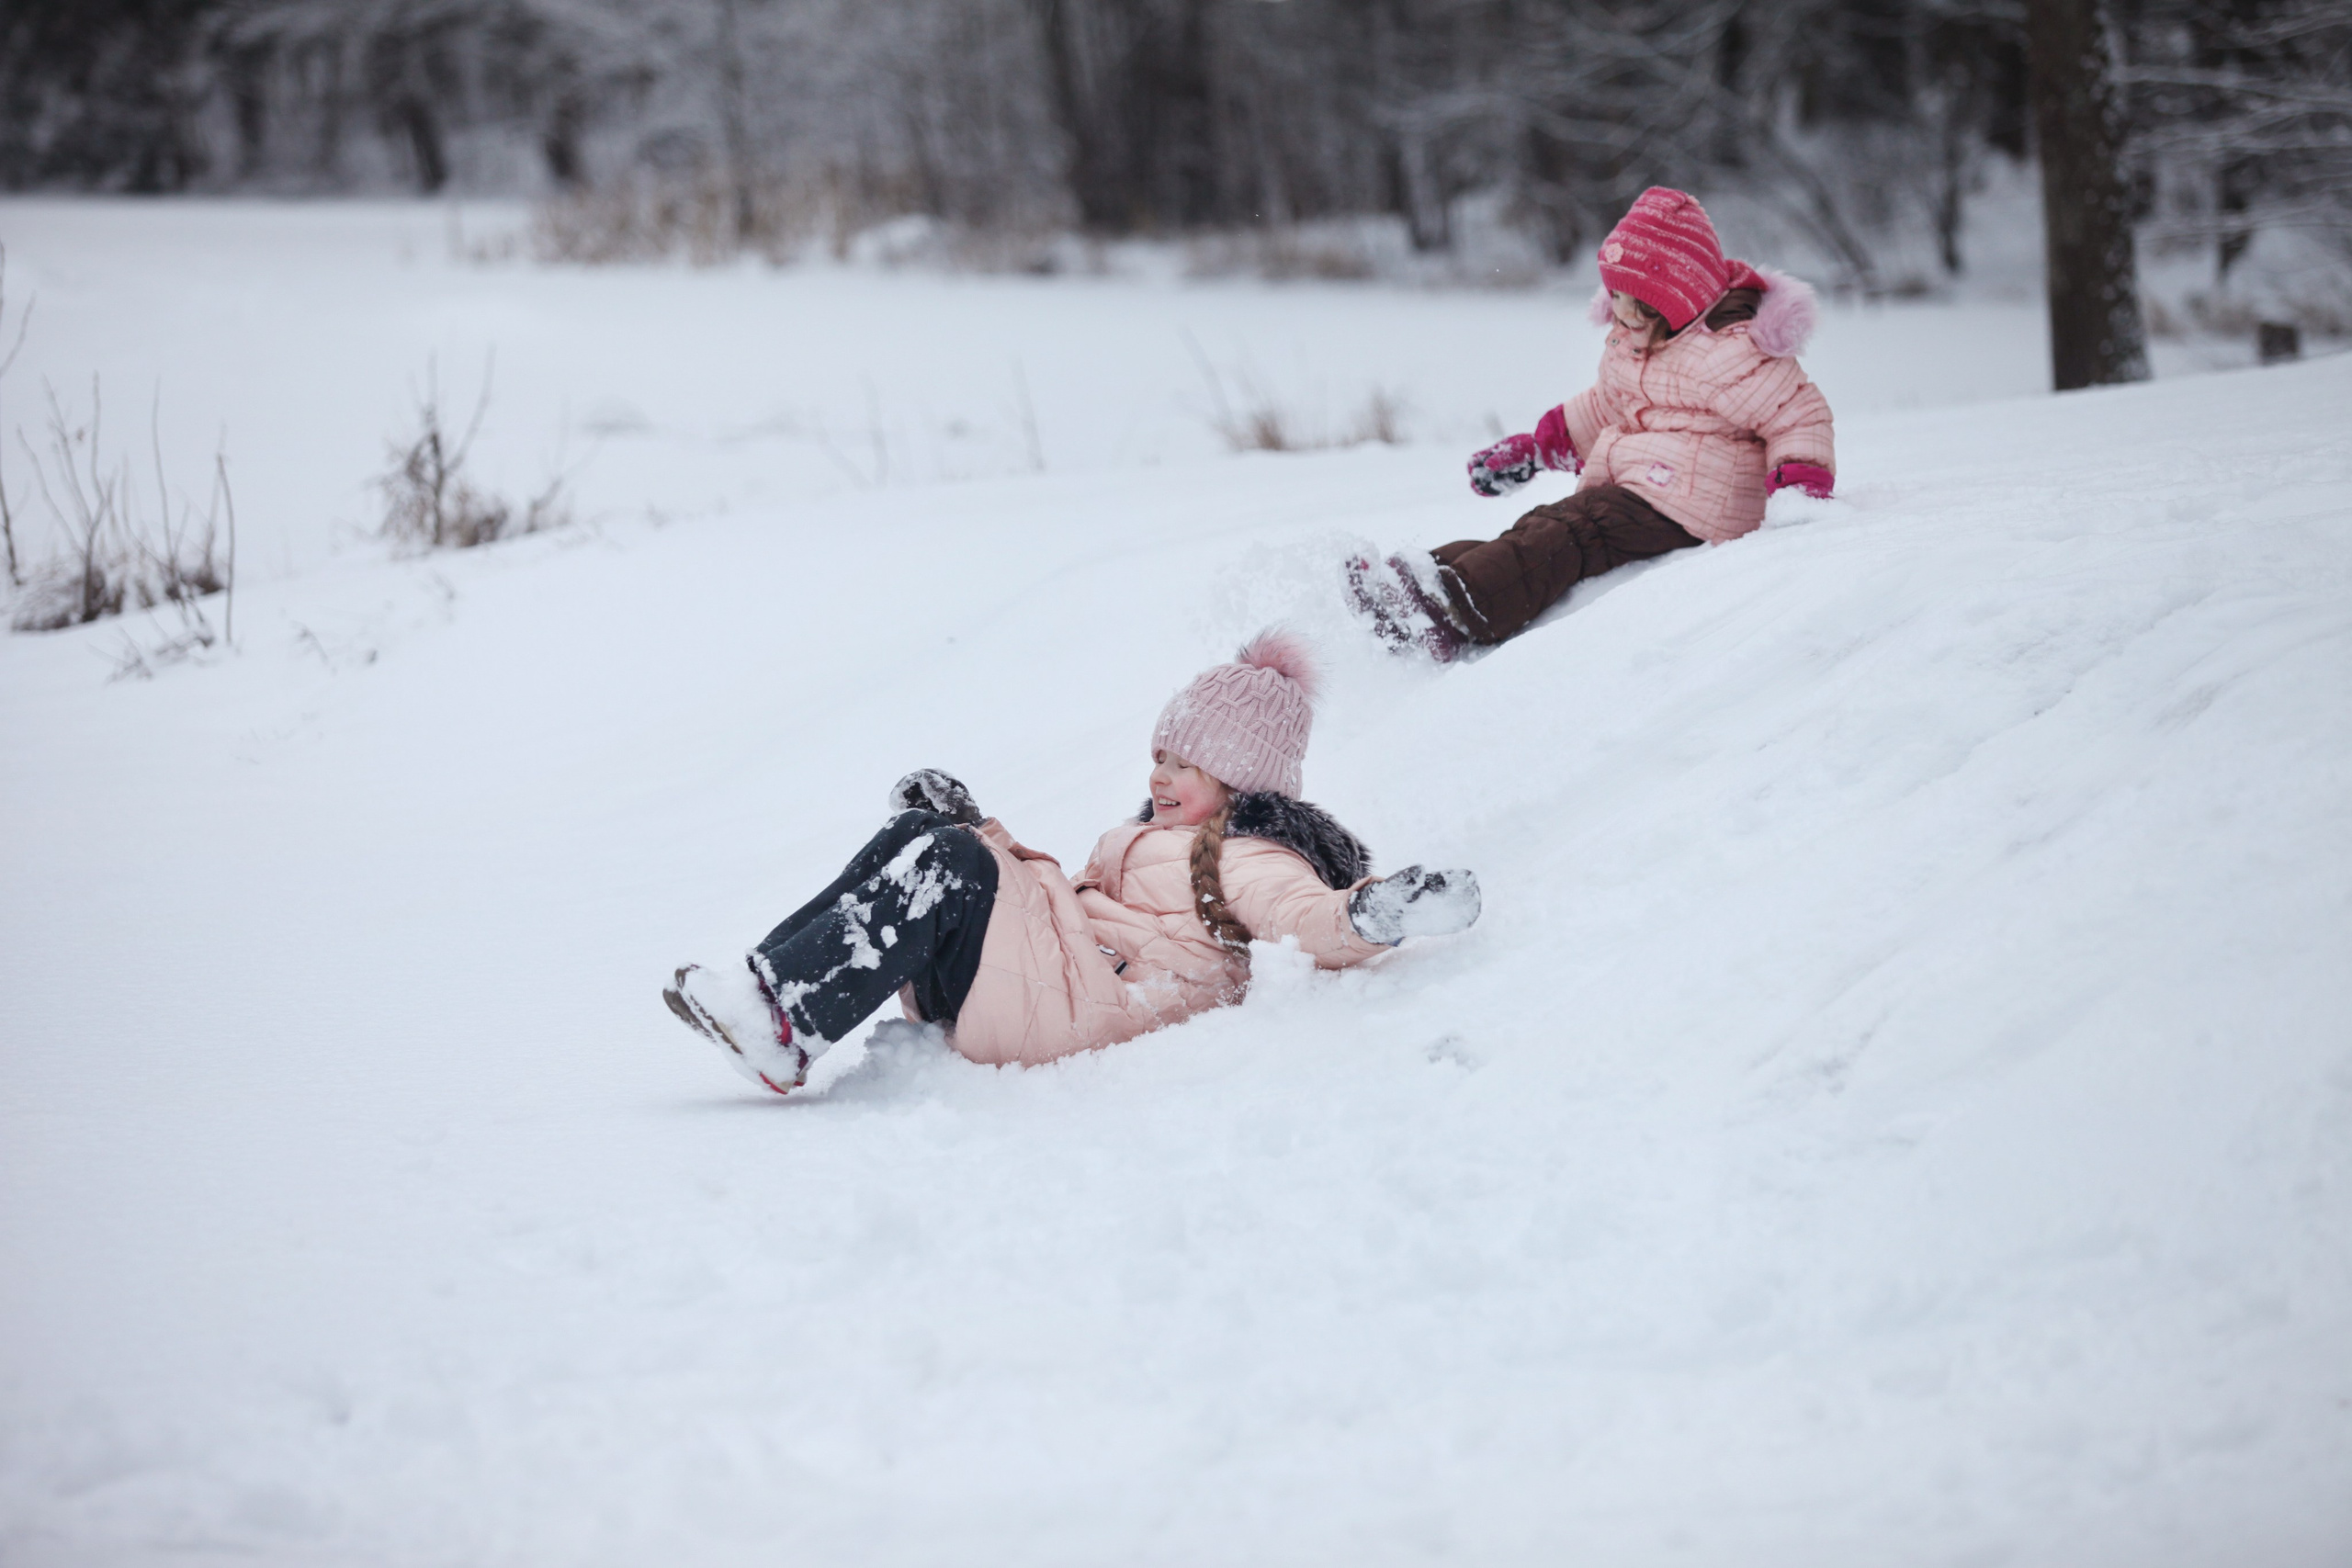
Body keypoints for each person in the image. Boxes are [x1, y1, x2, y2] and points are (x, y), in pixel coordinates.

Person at [662, 632, 1482, 1094]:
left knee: (949, 860)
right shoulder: (1144, 838)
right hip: (1042, 979)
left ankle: (784, 1027)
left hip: (1086, 1004)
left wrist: (1373, 913)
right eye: (1159, 755)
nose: (1159, 776)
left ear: (1238, 783)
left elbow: (1307, 921)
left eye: (1184, 765)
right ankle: (765, 992)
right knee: (929, 836)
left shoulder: (1252, 857)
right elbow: (1048, 907)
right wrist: (975, 824)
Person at [1350, 186, 1837, 660]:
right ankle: (1420, 580)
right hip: (1643, 487)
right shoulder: (1635, 341)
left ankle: (1460, 607)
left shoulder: (1731, 351)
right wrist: (1538, 449)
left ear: (1678, 300)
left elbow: (1797, 414)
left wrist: (1800, 489)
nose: (1620, 317)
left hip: (1699, 504)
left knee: (1574, 531)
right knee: (1544, 526)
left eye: (1638, 306)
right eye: (1617, 298)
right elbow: (1605, 406)